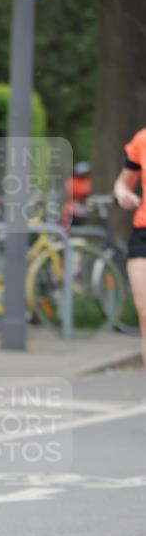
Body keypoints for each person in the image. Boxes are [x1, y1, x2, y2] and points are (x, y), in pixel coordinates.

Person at [114, 128, 146, 367]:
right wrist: (122, 192)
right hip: (143, 232)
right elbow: (123, 182)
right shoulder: (142, 139)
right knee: (144, 312)